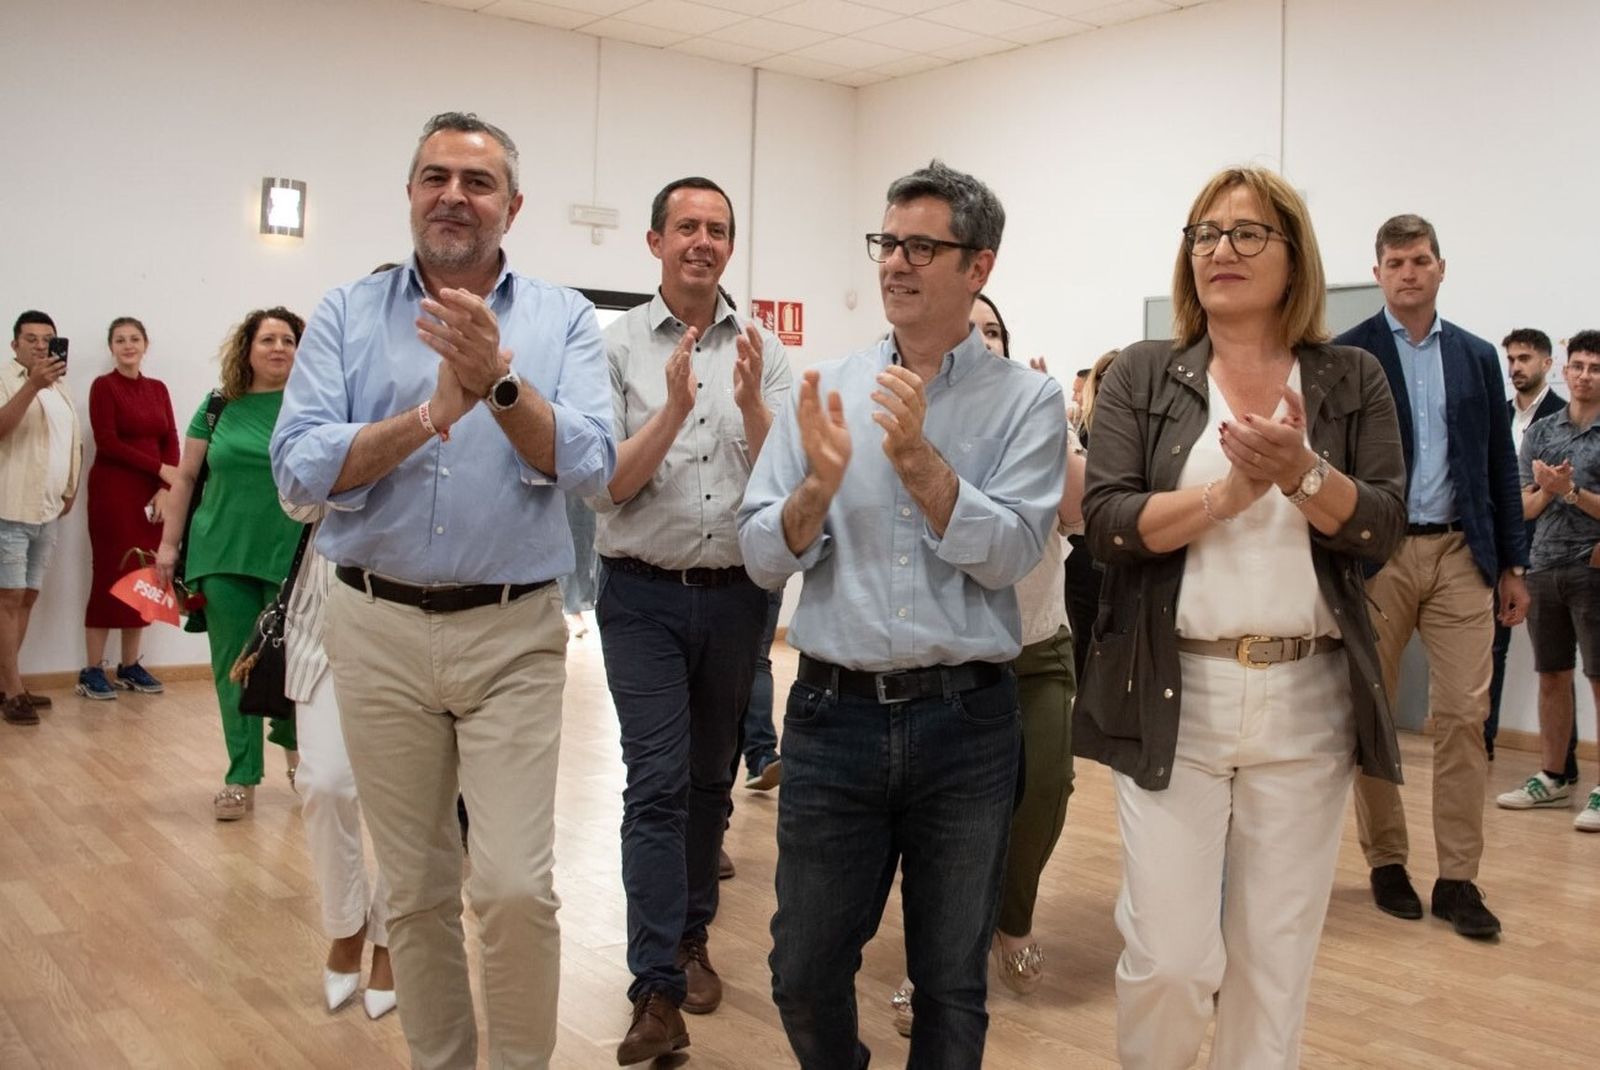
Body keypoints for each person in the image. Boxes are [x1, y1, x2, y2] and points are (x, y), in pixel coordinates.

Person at [271, 112, 614, 1070]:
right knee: (416, 888)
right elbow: (299, 473)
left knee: (512, 887)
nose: (453, 196)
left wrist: (499, 386)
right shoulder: (346, 311)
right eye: (435, 177)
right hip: (373, 624)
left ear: (514, 205)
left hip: (512, 631)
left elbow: (590, 461)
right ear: (411, 193)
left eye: (477, 180)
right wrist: (430, 416)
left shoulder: (562, 318)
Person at [1076, 166, 1406, 1068]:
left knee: (1274, 962)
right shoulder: (1145, 374)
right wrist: (1226, 495)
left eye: (1248, 233)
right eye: (1205, 234)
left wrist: (1300, 472)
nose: (1222, 250)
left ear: (1293, 255)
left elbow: (1380, 522)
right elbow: (1105, 523)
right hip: (1173, 694)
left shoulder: (1352, 377)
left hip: (1308, 699)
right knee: (1173, 959)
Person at [740, 160, 1067, 1069]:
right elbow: (762, 553)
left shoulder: (1027, 403)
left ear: (979, 267)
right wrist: (815, 487)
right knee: (802, 971)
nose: (896, 263)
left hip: (966, 723)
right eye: (888, 242)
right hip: (831, 718)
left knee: (951, 985)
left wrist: (919, 460)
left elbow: (1009, 554)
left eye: (923, 246)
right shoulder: (825, 386)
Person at [590, 175, 790, 1064]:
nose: (701, 241)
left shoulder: (764, 348)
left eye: (717, 229)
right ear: (654, 242)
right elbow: (608, 485)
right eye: (685, 228)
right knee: (657, 780)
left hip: (738, 596)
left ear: (729, 247)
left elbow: (788, 477)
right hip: (639, 595)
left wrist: (749, 403)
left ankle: (691, 938)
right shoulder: (616, 346)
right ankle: (654, 989)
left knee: (710, 782)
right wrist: (672, 410)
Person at [889, 292, 1085, 1037]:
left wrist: (1058, 428)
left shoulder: (1037, 417)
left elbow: (1079, 512)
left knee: (1046, 792)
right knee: (945, 824)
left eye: (995, 330)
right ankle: (934, 965)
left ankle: (1011, 918)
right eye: (972, 331)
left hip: (1037, 647)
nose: (985, 341)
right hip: (955, 655)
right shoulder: (924, 427)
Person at [1336, 214, 1529, 939]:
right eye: (1395, 261)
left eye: (1421, 260)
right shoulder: (1349, 354)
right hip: (1378, 555)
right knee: (1374, 715)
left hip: (1460, 555)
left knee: (1462, 719)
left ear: (1441, 268)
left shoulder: (1478, 357)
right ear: (1379, 272)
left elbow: (1498, 470)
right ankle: (1387, 861)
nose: (1409, 272)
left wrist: (1512, 562)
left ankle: (1458, 879)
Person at [155, 308, 304, 818]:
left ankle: (298, 762)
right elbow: (186, 478)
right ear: (247, 349)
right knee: (232, 670)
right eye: (268, 339)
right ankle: (241, 778)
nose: (278, 347)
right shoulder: (218, 405)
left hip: (291, 555)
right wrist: (169, 547)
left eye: (288, 339)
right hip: (219, 551)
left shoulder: (312, 404)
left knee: (290, 665)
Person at [279, 501, 397, 1019]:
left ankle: (392, 941)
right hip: (328, 612)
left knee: (409, 803)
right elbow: (296, 497)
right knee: (324, 782)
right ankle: (347, 926)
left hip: (428, 616)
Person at [1497, 330, 1600, 831]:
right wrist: (1550, 490)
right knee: (1552, 674)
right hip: (1544, 565)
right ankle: (1553, 777)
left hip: (1594, 566)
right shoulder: (1544, 431)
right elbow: (1521, 504)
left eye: (1595, 368)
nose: (1583, 376)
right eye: (1577, 366)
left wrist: (1571, 491)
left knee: (1599, 678)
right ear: (1565, 368)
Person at [1487, 327, 1576, 772]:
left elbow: (1562, 491)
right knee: (1489, 647)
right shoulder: (1497, 414)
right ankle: (1482, 743)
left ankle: (1565, 763)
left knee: (1557, 663)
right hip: (1498, 545)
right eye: (1511, 359)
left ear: (1547, 365)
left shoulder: (1569, 417)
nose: (1516, 367)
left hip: (1552, 549)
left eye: (1525, 358)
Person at [77, 316, 178, 700]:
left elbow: (170, 438)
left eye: (134, 338)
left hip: (152, 496)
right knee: (110, 574)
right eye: (120, 340)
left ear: (146, 344)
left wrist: (167, 487)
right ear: (111, 348)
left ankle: (130, 665)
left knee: (145, 576)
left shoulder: (158, 388)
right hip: (113, 492)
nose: (128, 345)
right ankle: (91, 669)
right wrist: (161, 469)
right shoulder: (103, 387)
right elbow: (108, 442)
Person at [1, 311, 80, 725]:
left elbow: (69, 441)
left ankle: (7, 681)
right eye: (30, 339)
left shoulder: (59, 388)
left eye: (47, 339)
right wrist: (32, 385)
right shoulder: (8, 380)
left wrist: (70, 485)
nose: (39, 345)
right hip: (9, 508)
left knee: (27, 597)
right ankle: (13, 689)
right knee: (7, 599)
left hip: (47, 510)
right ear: (14, 345)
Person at [1063, 348, 1119, 684]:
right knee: (1088, 636)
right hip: (1085, 551)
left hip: (1125, 551)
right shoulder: (1082, 433)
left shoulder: (1147, 434)